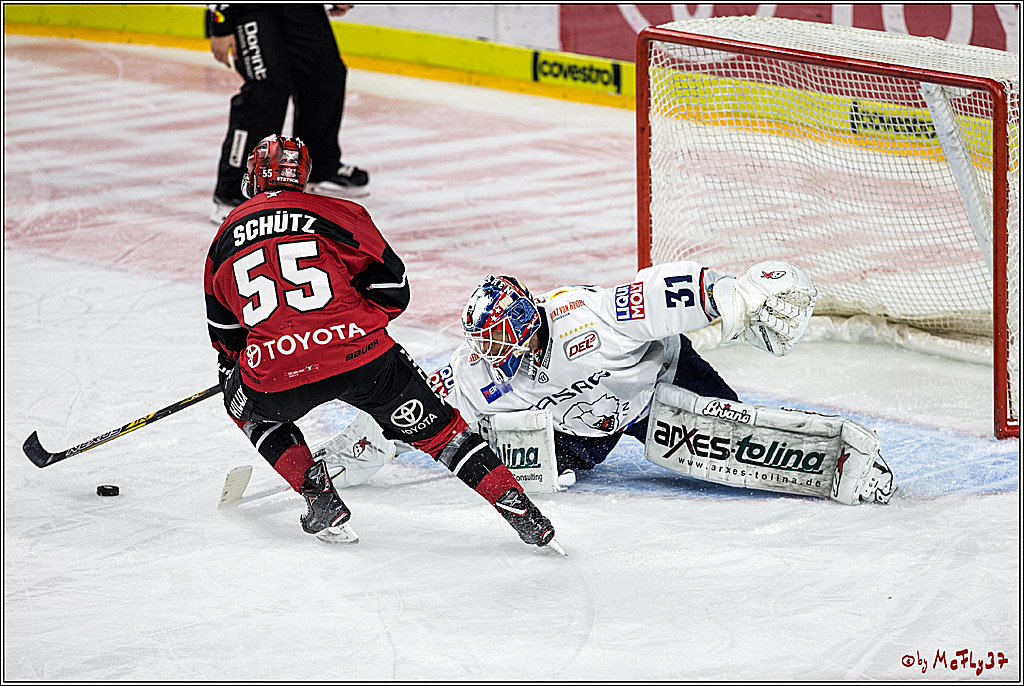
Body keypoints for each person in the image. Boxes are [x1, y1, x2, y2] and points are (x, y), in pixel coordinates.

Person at [204, 134, 558, 549]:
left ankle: (318, 495)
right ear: (304, 175)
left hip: (277, 372)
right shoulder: (341, 213)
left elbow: (227, 339)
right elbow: (395, 290)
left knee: (247, 409)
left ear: (251, 177)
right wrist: (355, 322)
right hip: (364, 357)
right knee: (443, 433)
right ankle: (520, 509)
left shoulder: (221, 241)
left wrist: (264, 357)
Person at [429, 264, 819, 476]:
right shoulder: (477, 370)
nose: (485, 351)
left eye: (493, 338)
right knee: (514, 458)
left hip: (658, 380)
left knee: (738, 443)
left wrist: (726, 293)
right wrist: (392, 430)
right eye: (480, 341)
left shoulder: (585, 315)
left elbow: (655, 295)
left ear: (521, 321)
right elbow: (421, 401)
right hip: (583, 432)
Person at [206, 4, 369, 224]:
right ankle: (234, 192)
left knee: (325, 75)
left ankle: (320, 167)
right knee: (267, 90)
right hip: (249, 8)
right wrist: (220, 21)